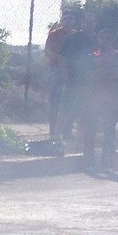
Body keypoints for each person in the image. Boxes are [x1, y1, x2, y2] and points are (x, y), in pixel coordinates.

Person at [80, 28, 118, 170]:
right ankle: (89, 162)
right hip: (94, 98)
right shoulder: (92, 56)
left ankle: (106, 162)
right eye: (102, 38)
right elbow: (86, 76)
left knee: (109, 131)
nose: (105, 42)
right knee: (90, 130)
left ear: (112, 41)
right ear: (98, 40)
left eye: (108, 39)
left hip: (111, 99)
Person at [58, 10, 98, 145]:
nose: (89, 25)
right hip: (74, 81)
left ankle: (82, 142)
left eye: (92, 22)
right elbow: (62, 58)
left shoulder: (97, 40)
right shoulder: (74, 38)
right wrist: (65, 76)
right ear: (83, 23)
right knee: (67, 110)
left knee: (86, 112)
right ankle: (57, 139)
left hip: (91, 84)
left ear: (95, 24)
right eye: (87, 22)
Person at [44, 12, 76, 141]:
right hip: (56, 69)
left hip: (72, 71)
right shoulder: (54, 34)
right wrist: (58, 58)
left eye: (70, 19)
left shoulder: (75, 35)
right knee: (56, 101)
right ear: (62, 20)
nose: (68, 21)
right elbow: (47, 51)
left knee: (70, 101)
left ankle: (67, 132)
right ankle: (53, 131)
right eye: (65, 19)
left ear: (74, 21)